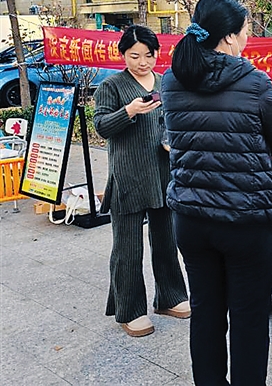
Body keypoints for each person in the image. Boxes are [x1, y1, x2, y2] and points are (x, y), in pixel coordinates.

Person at [161, 0, 272, 386]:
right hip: (245, 220)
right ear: (231, 36)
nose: (248, 36)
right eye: (246, 29)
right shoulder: (254, 81)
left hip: (191, 218)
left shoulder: (172, 80)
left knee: (205, 313)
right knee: (249, 319)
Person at [94, 25, 189, 338]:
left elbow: (174, 122)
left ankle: (171, 297)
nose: (142, 62)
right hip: (128, 176)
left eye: (148, 55)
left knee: (167, 240)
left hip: (162, 172)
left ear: (157, 53)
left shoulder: (164, 83)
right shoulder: (111, 85)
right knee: (127, 249)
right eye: (134, 56)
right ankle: (130, 310)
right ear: (123, 54)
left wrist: (172, 141)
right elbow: (101, 126)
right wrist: (128, 111)